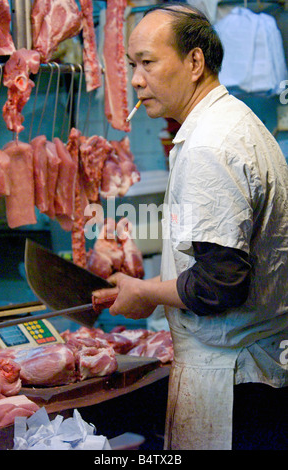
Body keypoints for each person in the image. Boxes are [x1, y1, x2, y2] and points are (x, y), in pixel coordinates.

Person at [93, 3, 288, 450]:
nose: (136, 80)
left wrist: (145, 293)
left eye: (147, 62)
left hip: (236, 390)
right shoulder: (236, 121)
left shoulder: (209, 144)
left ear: (194, 62)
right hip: (259, 373)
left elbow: (220, 285)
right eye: (131, 66)